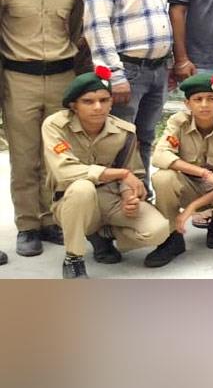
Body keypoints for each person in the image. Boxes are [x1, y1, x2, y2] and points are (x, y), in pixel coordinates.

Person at [0, 0, 80, 258]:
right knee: (25, 156)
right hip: (19, 79)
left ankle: (51, 220)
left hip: (63, 78)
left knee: (57, 155)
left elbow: (75, 32)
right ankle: (28, 225)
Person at [43, 66, 170, 278]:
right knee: (83, 188)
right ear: (73, 105)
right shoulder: (56, 126)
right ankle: (73, 258)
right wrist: (118, 174)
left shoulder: (124, 131)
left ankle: (102, 234)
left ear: (112, 102)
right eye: (88, 101)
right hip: (72, 200)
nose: (98, 107)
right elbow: (65, 171)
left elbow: (134, 173)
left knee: (158, 230)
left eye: (104, 100)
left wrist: (129, 196)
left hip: (111, 198)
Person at [83, 0, 172, 189]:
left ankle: (140, 194)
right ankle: (115, 205)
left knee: (145, 136)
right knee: (121, 140)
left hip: (157, 69)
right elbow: (97, 27)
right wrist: (115, 75)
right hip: (127, 70)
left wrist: (167, 64)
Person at [144, 71, 213, 267]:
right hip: (188, 184)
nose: (204, 105)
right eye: (198, 99)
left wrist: (191, 208)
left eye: (211, 99)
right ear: (187, 104)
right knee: (162, 178)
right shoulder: (178, 122)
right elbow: (160, 155)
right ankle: (172, 238)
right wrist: (205, 173)